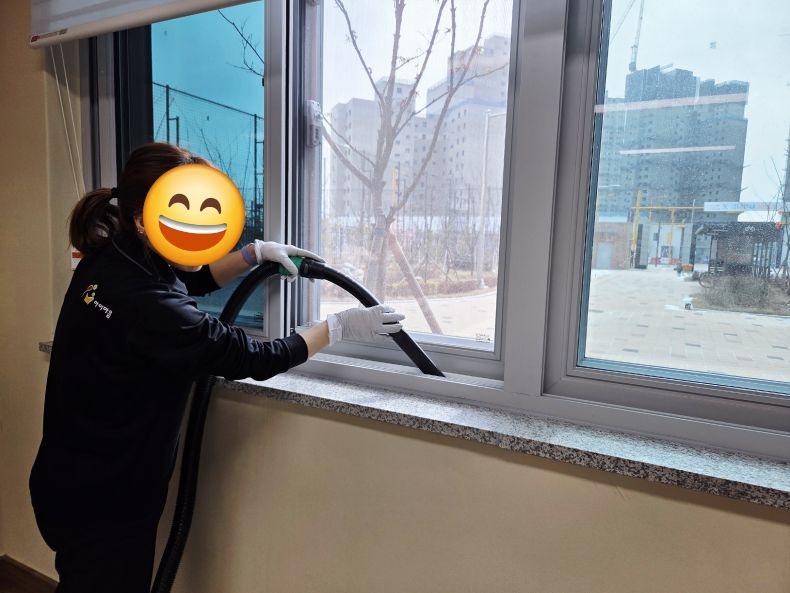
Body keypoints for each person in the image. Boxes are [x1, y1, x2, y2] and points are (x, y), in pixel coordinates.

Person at [29, 142, 404, 593]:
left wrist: (251, 255)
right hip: (106, 503)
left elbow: (187, 280)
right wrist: (338, 326)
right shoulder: (147, 302)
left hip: (70, 479)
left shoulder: (113, 256)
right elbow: (256, 357)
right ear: (142, 219)